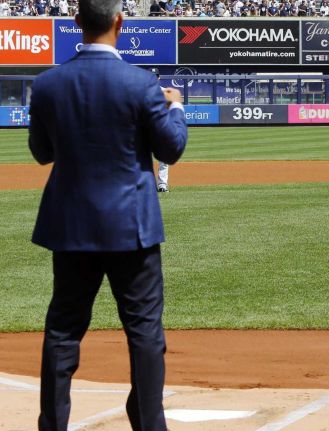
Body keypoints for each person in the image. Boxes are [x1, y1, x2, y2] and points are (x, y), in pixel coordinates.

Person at [27, 0, 187, 428]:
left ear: (76, 22)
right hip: (131, 227)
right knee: (144, 333)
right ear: (120, 21)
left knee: (63, 332)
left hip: (71, 225)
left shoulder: (47, 84)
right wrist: (176, 107)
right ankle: (149, 422)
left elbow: (42, 154)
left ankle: (53, 424)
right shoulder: (140, 83)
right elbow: (170, 148)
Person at [150, 67, 172, 192]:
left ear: (158, 77)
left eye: (155, 76)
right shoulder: (140, 92)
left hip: (160, 128)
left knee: (163, 159)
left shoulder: (166, 93)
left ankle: (162, 185)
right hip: (145, 130)